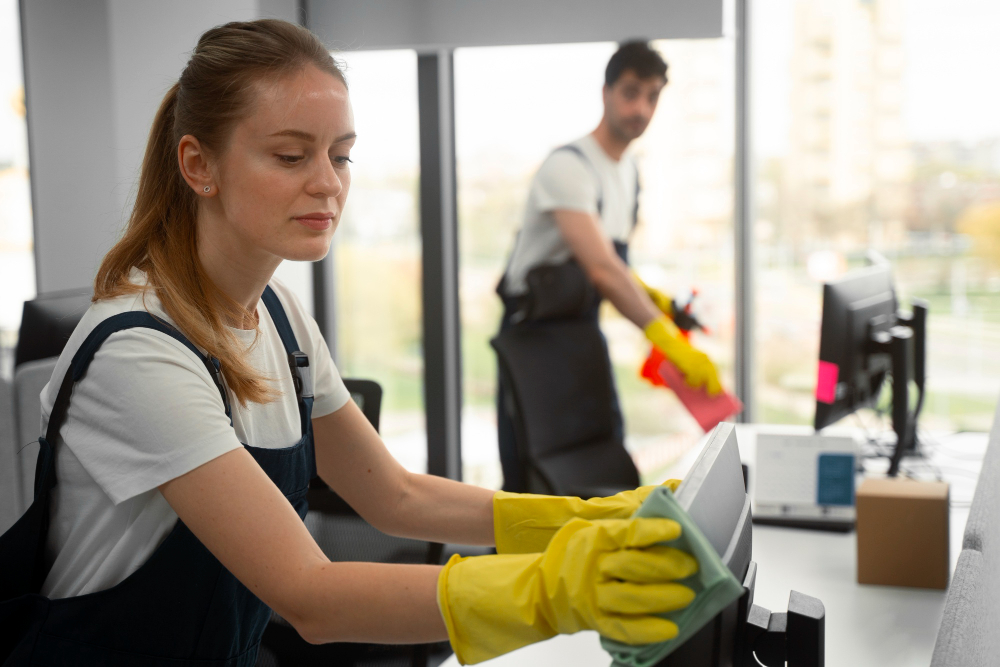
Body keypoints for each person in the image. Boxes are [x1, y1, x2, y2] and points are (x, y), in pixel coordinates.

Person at [0, 20, 703, 666]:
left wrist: (574, 518)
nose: (327, 184)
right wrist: (552, 591)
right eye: (290, 155)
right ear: (198, 165)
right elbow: (310, 595)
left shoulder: (278, 317)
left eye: (341, 156)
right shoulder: (140, 352)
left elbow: (393, 495)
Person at [495, 41, 722, 492]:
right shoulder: (569, 166)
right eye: (631, 91)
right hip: (533, 340)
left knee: (603, 460)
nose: (641, 107)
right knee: (532, 482)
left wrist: (656, 302)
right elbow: (600, 268)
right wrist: (665, 337)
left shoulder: (629, 173)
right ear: (606, 92)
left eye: (653, 96)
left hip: (581, 331)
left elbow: (614, 262)